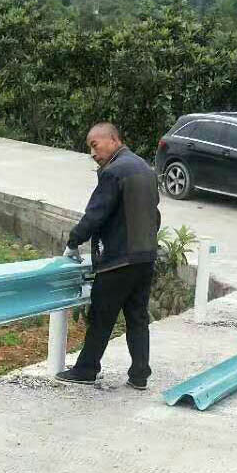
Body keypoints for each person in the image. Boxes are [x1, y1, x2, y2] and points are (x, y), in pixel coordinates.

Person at [56, 122, 160, 390]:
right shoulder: (145, 169)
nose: (93, 153)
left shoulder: (113, 172)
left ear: (113, 140)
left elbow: (96, 214)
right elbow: (155, 214)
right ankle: (140, 375)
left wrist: (73, 242)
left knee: (101, 316)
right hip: (145, 257)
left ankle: (86, 369)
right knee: (137, 317)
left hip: (119, 260)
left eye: (95, 145)